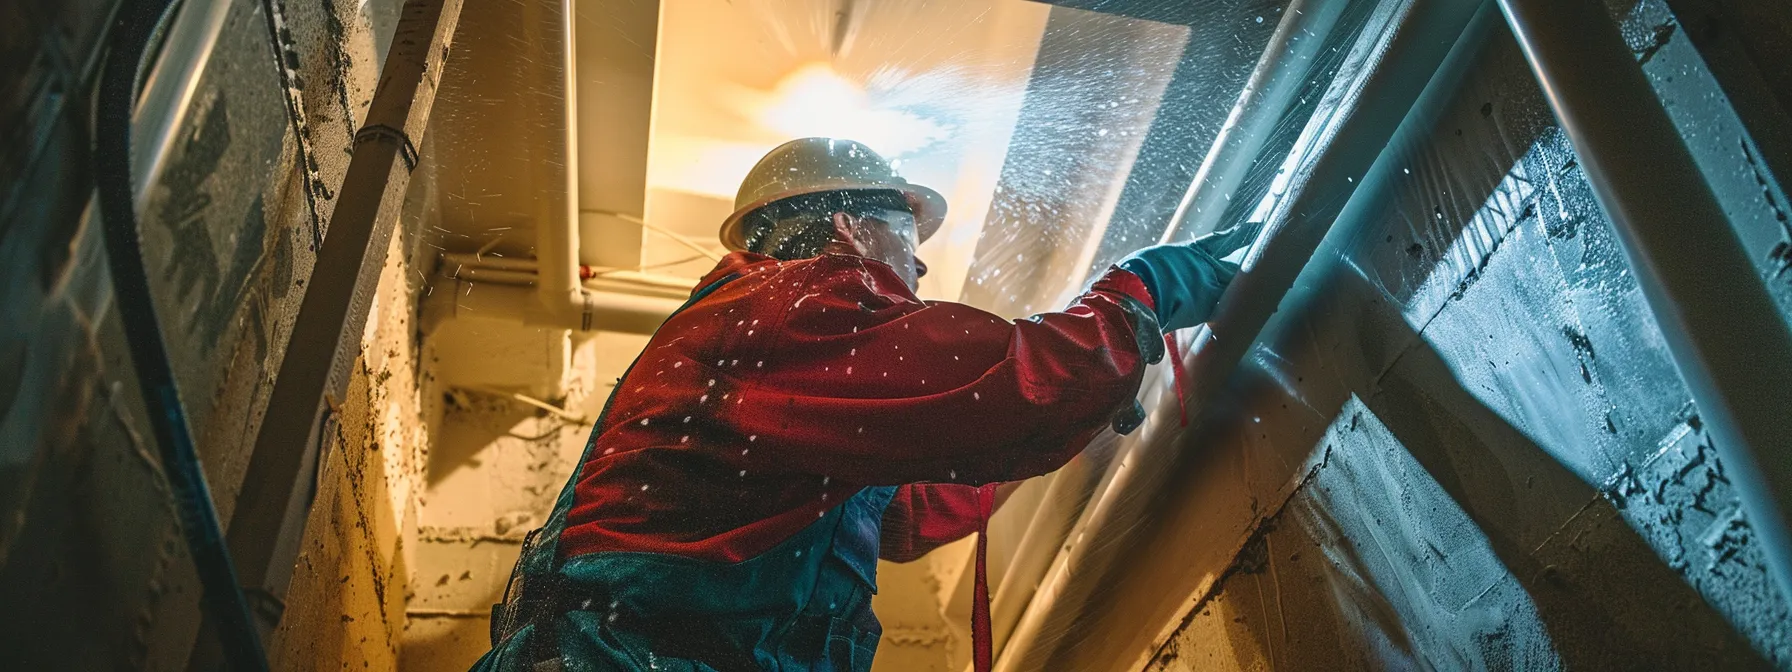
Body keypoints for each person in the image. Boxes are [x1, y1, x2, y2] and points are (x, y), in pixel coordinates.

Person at [473, 137, 1248, 672]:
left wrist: (1077, 420)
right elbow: (1011, 388)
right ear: (849, 227)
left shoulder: (750, 339)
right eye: (909, 236)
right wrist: (1143, 288)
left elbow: (901, 516)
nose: (917, 260)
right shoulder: (798, 301)